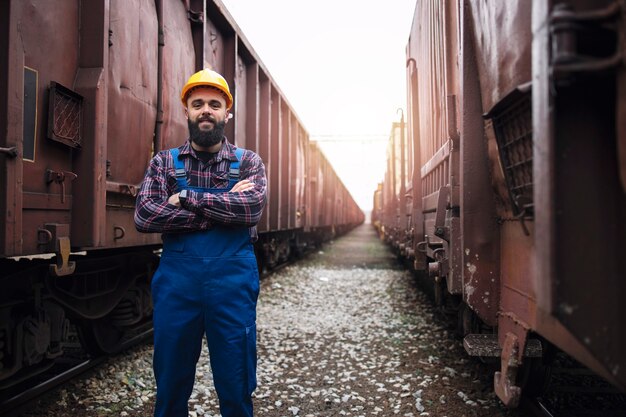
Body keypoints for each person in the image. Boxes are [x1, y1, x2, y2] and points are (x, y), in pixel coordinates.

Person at [134, 68, 267, 417]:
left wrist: (186, 198)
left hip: (232, 285)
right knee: (170, 384)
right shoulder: (164, 162)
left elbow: (251, 209)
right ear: (187, 111)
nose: (205, 110)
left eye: (214, 104)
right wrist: (224, 210)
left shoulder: (248, 162)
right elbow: (146, 216)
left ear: (227, 112)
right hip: (178, 286)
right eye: (197, 104)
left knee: (236, 382)